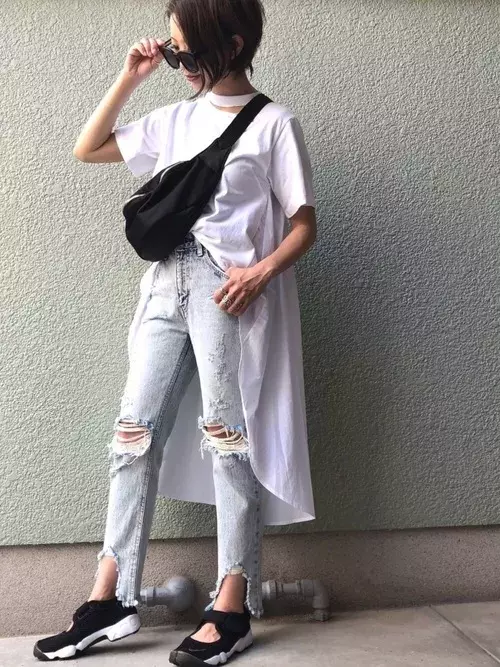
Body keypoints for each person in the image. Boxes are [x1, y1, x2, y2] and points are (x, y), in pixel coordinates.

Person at [34, 0, 316, 664]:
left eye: (187, 52)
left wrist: (262, 272)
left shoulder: (274, 123)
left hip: (225, 289)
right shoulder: (176, 119)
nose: (179, 63)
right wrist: (130, 77)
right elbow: (89, 148)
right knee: (132, 434)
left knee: (228, 439)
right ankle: (110, 598)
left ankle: (232, 604)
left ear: (233, 44)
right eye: (173, 52)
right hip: (165, 284)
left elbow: (304, 223)